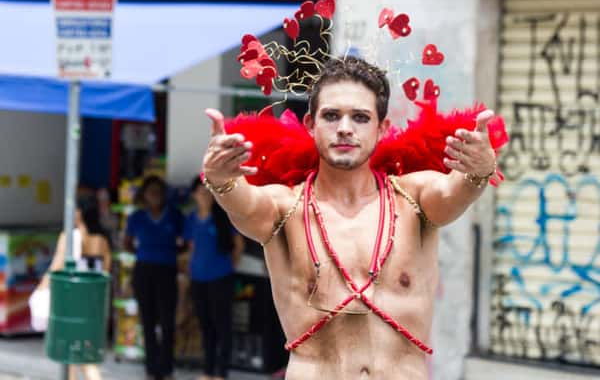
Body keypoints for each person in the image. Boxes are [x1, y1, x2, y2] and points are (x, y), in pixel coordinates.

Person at [201, 56, 503, 379]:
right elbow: (244, 203)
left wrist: (478, 172)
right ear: (310, 125)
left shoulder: (414, 201)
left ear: (382, 128)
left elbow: (453, 193)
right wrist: (221, 181)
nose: (345, 128)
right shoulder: (284, 209)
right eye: (331, 116)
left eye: (360, 117)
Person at [32, 194, 112, 380]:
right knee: (86, 355)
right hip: (94, 302)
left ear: (79, 213)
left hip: (71, 299)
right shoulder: (102, 240)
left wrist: (41, 289)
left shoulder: (69, 236)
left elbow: (57, 266)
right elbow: (106, 271)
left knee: (69, 353)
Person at [184, 176, 245, 380]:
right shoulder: (191, 219)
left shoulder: (223, 217)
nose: (205, 195)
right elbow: (191, 247)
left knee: (223, 326)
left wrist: (230, 267)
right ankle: (207, 371)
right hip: (198, 279)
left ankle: (221, 372)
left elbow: (238, 245)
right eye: (201, 191)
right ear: (194, 195)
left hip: (221, 278)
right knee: (205, 325)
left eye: (208, 191)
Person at [124, 175, 184, 380]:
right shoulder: (137, 217)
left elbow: (184, 242)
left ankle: (166, 369)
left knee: (167, 322)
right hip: (143, 271)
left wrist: (169, 252)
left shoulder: (174, 215)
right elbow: (127, 243)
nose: (155, 196)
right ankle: (151, 370)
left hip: (167, 271)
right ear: (144, 195)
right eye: (151, 192)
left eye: (159, 191)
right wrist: (145, 254)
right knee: (147, 321)